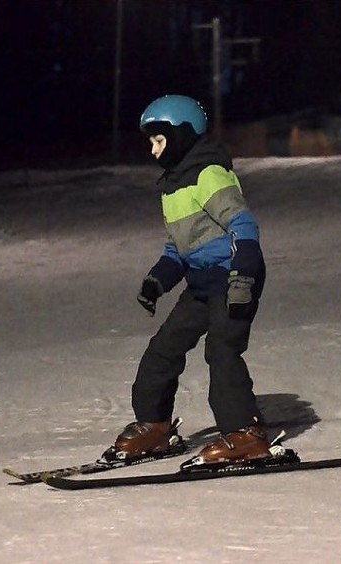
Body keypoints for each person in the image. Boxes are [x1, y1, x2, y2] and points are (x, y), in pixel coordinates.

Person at [102, 94, 270, 467]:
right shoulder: (172, 187)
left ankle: (246, 434)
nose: (152, 149)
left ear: (181, 135)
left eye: (158, 140)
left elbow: (243, 225)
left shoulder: (208, 174)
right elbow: (179, 248)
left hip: (233, 277)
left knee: (222, 352)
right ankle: (155, 427)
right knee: (163, 349)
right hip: (201, 283)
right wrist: (157, 282)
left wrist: (242, 278)